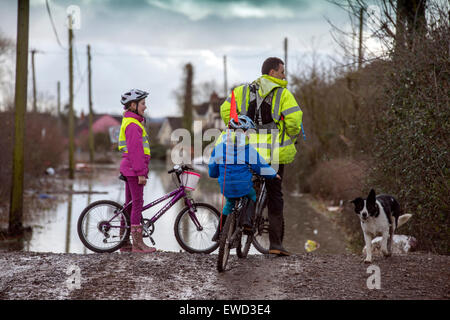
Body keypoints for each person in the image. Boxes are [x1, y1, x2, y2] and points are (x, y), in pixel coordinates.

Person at [219, 57, 303, 256]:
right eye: (282, 72)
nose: (284, 76)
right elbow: (293, 121)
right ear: (273, 72)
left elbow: (225, 111)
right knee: (275, 194)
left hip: (245, 149)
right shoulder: (283, 94)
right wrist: (290, 134)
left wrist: (239, 127)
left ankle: (241, 224)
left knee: (247, 185)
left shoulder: (242, 90)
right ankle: (275, 244)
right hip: (273, 152)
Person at [208, 115, 280, 241]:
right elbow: (261, 167)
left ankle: (218, 232)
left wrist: (215, 174)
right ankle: (247, 222)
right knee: (252, 195)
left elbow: (213, 169)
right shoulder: (248, 150)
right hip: (243, 185)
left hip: (225, 185)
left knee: (229, 203)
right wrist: (274, 175)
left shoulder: (219, 148)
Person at [118, 88, 156, 253]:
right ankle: (137, 244)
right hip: (134, 170)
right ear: (133, 105)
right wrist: (141, 173)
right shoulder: (133, 125)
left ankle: (124, 242)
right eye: (142, 104)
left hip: (129, 168)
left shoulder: (132, 122)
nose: (145, 107)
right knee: (137, 204)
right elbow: (136, 151)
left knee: (129, 204)